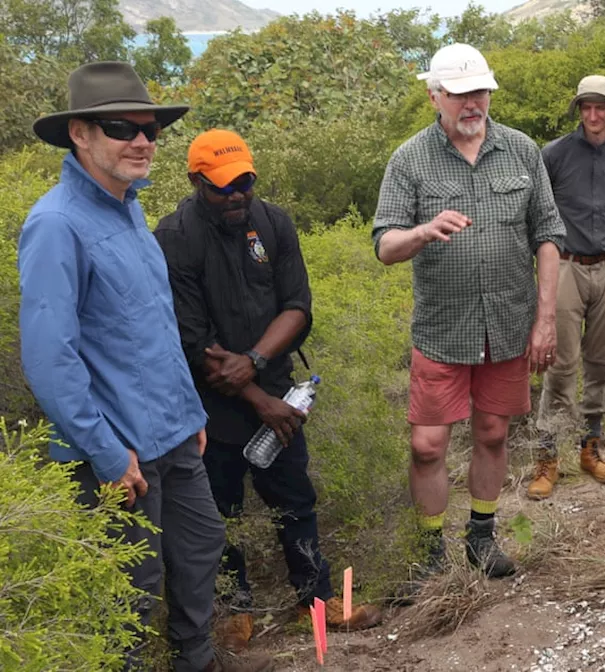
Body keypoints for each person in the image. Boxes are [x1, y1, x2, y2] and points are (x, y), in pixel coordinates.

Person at [18, 62, 271, 672]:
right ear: (79, 133)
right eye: (121, 127)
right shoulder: (55, 225)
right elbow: (50, 359)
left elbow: (155, 326)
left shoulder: (128, 208)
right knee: (130, 585)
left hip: (173, 431)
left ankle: (195, 657)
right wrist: (105, 452)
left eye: (151, 129)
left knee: (202, 544)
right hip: (116, 448)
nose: (141, 141)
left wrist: (188, 411)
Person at [154, 129, 384, 651]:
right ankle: (236, 614)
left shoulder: (273, 223)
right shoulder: (174, 237)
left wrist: (256, 365)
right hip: (210, 407)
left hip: (279, 396)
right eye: (222, 187)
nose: (236, 195)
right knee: (219, 513)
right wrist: (255, 397)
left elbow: (297, 307)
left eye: (245, 183)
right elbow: (194, 342)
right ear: (195, 181)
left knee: (296, 501)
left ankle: (317, 604)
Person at [371, 43, 565, 593]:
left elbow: (547, 235)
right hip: (442, 327)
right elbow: (385, 245)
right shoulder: (410, 159)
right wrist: (421, 232)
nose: (472, 103)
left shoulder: (522, 151)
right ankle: (429, 549)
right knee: (427, 444)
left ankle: (481, 536)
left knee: (493, 431)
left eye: (479, 91)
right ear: (435, 95)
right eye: (459, 94)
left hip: (508, 322)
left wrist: (545, 318)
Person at [528, 75, 605, 500]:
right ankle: (546, 457)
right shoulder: (553, 155)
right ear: (579, 110)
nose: (593, 115)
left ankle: (591, 448)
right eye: (586, 107)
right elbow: (538, 215)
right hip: (566, 265)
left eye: (601, 107)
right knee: (560, 363)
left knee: (603, 361)